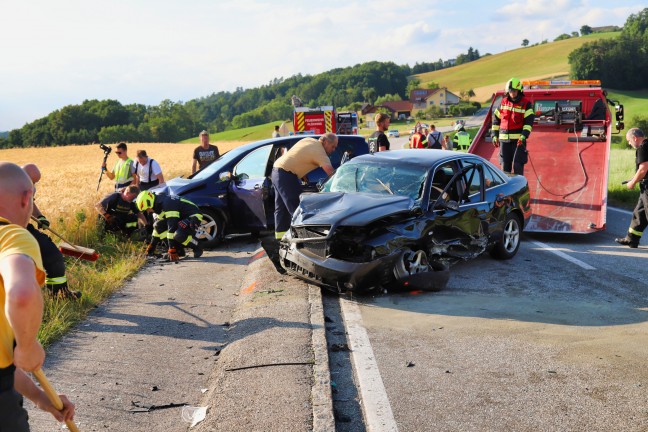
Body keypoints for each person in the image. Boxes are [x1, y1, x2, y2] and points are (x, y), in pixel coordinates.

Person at [0, 162, 76, 430]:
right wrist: (28, 345)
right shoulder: (10, 236)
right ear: (26, 198)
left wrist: (41, 398)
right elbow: (21, 293)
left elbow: (4, 356)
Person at [265, 133, 338, 273]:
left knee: (281, 210)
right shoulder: (320, 151)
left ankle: (279, 243)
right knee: (297, 210)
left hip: (277, 171)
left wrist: (303, 174)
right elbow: (330, 172)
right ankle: (303, 248)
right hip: (286, 175)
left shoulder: (308, 140)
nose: (333, 150)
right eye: (333, 146)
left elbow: (297, 156)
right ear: (326, 142)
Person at [21, 164, 79, 299]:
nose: (33, 184)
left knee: (53, 255)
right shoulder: (6, 186)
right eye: (31, 181)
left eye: (35, 182)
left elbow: (30, 202)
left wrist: (40, 216)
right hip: (7, 230)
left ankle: (60, 293)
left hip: (24, 227)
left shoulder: (29, 187)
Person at [136, 191, 204, 261]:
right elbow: (157, 229)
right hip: (181, 217)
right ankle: (179, 251)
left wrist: (172, 249)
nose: (148, 211)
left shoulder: (167, 204)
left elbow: (172, 227)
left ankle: (197, 246)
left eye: (147, 209)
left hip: (193, 216)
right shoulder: (158, 204)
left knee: (179, 235)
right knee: (157, 225)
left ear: (149, 202)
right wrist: (152, 246)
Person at [491, 77, 535, 175]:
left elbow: (529, 123)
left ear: (519, 91)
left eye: (514, 91)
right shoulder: (503, 103)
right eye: (510, 91)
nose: (512, 93)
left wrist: (524, 135)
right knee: (505, 168)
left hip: (518, 142)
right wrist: (494, 135)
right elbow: (496, 121)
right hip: (504, 142)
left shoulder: (526, 104)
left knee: (517, 166)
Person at [615, 128, 648, 248]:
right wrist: (636, 178)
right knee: (640, 213)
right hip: (645, 185)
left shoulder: (643, 147)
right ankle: (631, 239)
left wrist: (633, 182)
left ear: (635, 138)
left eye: (629, 140)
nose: (629, 143)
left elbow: (643, 169)